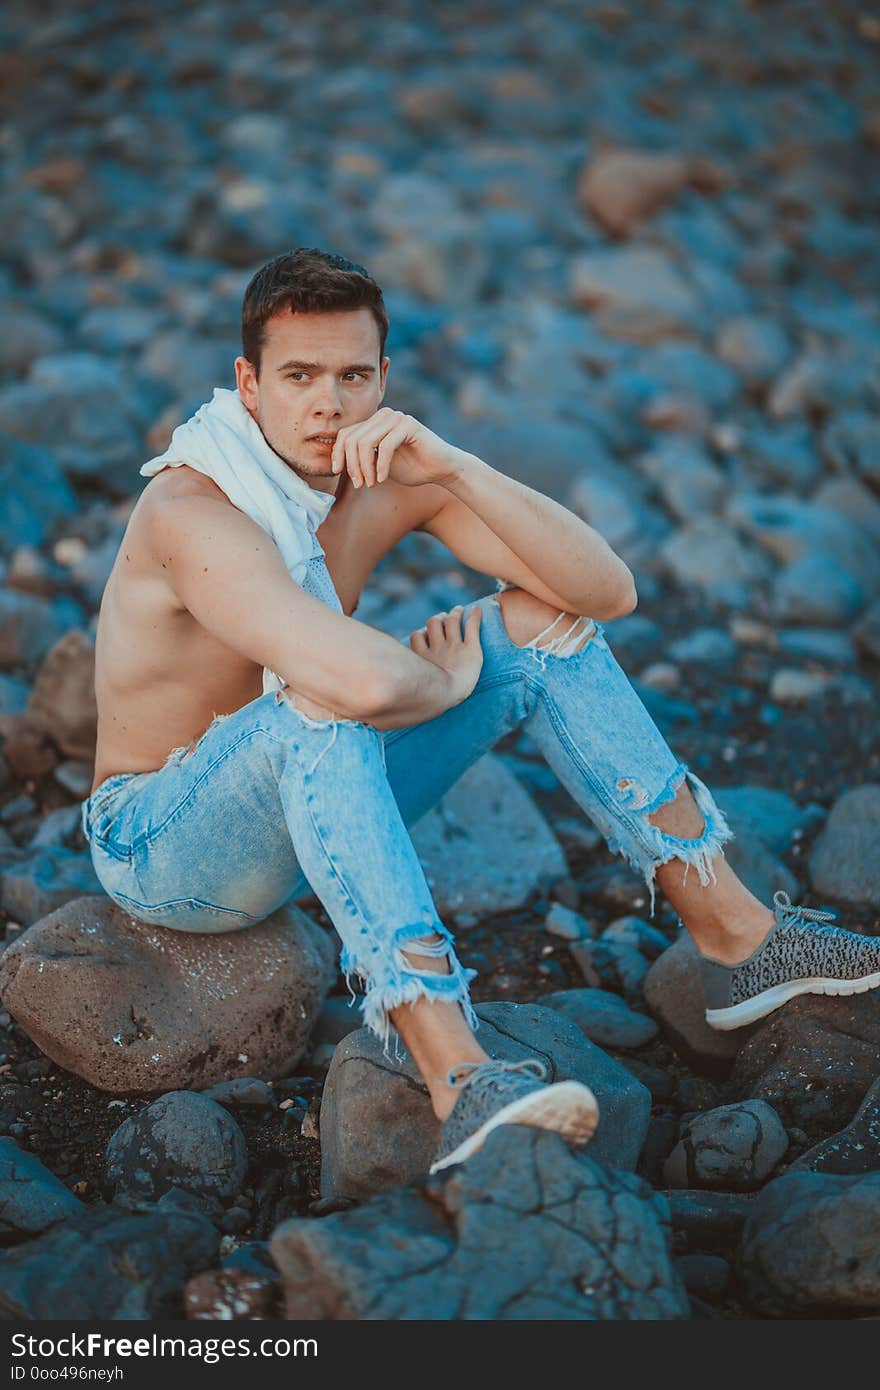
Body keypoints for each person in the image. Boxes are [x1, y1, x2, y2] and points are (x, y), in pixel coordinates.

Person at [80, 248, 880, 1176]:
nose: (326, 405)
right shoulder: (192, 511)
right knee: (323, 703)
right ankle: (460, 1078)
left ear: (384, 379)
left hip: (307, 800)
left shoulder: (376, 472)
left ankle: (737, 939)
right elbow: (367, 686)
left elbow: (605, 590)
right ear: (249, 384)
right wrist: (446, 688)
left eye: (351, 376)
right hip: (162, 839)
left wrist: (455, 468)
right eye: (298, 377)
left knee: (537, 623)